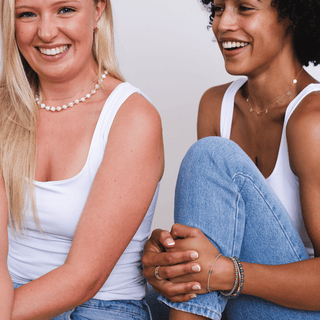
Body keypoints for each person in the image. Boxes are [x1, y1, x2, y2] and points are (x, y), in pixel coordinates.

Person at [142, 0, 320, 319]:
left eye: (245, 8)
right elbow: (212, 241)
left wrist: (228, 274)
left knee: (211, 154)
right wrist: (172, 259)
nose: (224, 24)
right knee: (121, 302)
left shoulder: (313, 122)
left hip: (299, 309)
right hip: (235, 302)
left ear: (292, 17)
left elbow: (219, 272)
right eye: (220, 8)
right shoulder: (216, 106)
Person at [0, 0, 164, 319]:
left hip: (100, 307)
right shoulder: (4, 110)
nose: (46, 32)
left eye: (65, 10)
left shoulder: (132, 118)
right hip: (9, 294)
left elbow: (83, 279)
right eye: (27, 14)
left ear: (98, 11)